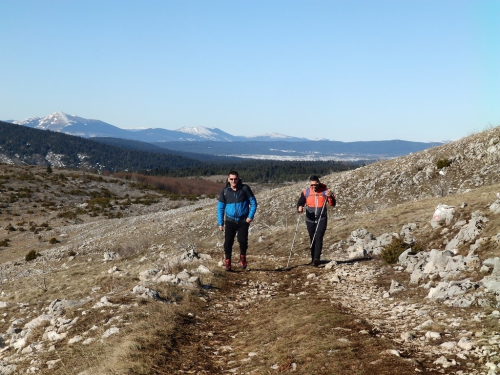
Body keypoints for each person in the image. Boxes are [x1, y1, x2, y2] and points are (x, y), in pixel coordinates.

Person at [217, 171, 258, 271]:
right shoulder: (225, 191)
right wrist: (220, 222)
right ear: (228, 179)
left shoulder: (245, 189)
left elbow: (254, 203)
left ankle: (242, 257)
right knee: (228, 243)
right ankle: (227, 262)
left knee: (243, 241)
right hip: (230, 220)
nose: (233, 181)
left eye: (235, 179)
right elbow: (220, 208)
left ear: (238, 179)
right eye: (231, 179)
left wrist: (250, 216)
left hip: (243, 220)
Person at [296, 175, 336, 266]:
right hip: (310, 219)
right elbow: (300, 202)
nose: (314, 186)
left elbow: (332, 204)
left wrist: (330, 197)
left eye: (315, 184)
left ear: (318, 183)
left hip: (322, 218)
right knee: (312, 238)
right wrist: (300, 207)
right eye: (312, 185)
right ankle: (313, 259)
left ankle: (317, 259)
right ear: (310, 184)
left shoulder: (325, 191)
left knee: (318, 237)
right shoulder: (306, 192)